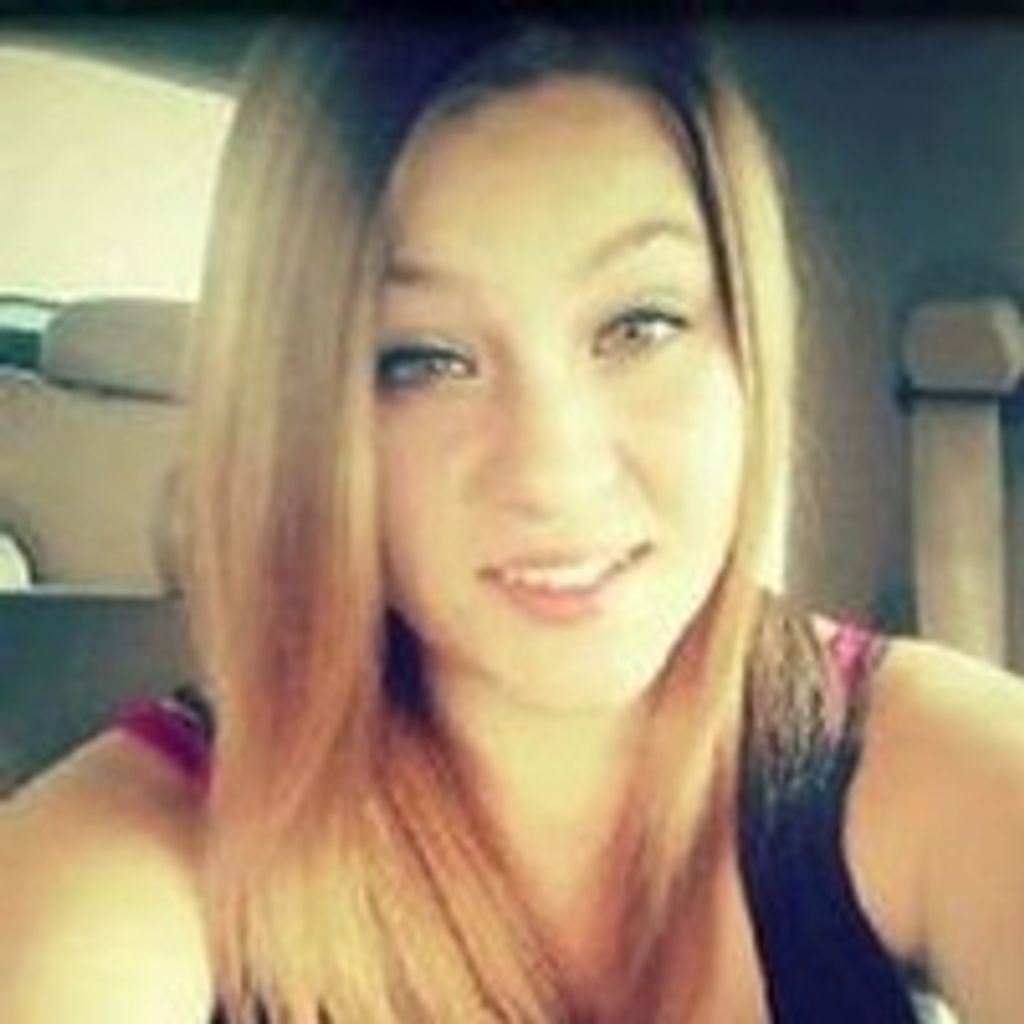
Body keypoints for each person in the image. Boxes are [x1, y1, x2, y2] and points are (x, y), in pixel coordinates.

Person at [5, 12, 1024, 1023]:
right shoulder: (133, 857)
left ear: (747, 345)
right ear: (301, 417)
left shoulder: (915, 755)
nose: (554, 473)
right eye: (423, 360)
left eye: (640, 324)